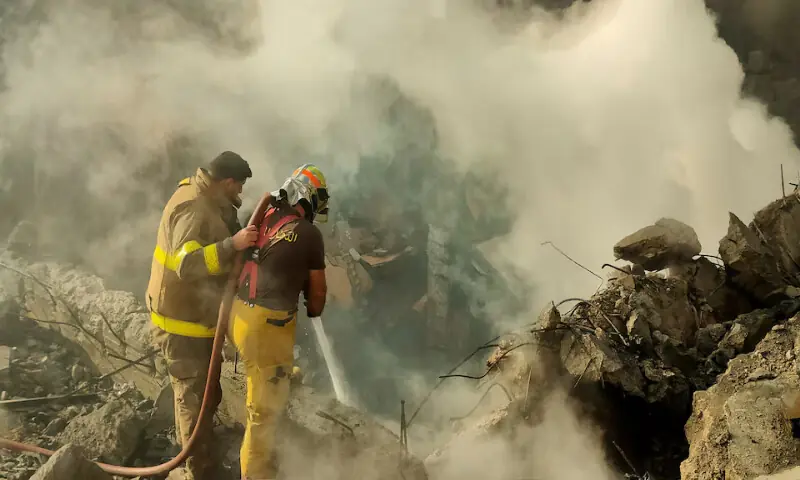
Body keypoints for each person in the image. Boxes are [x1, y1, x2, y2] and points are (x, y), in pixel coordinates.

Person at [146, 151, 259, 480]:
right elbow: (187, 263)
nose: (240, 193)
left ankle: (204, 457)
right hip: (182, 327)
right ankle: (200, 472)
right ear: (226, 182)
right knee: (193, 403)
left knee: (207, 395)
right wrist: (231, 246)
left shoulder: (208, 198)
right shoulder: (194, 206)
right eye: (238, 187)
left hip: (197, 320)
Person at [230, 163, 329, 480]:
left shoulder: (261, 216)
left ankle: (278, 376)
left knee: (270, 370)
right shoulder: (309, 233)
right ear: (309, 198)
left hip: (240, 318)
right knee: (261, 417)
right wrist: (312, 306)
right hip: (264, 329)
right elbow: (317, 297)